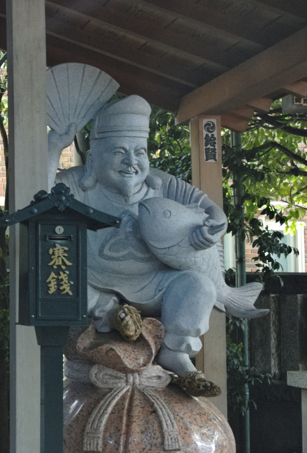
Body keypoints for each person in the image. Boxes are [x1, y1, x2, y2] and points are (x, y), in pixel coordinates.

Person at [55, 96, 227, 397]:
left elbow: (211, 211)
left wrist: (212, 229)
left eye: (139, 152)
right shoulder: (74, 183)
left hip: (153, 284)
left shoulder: (162, 184)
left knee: (197, 285)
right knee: (61, 280)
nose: (131, 162)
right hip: (93, 283)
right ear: (93, 160)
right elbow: (40, 196)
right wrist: (52, 147)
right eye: (120, 152)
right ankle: (111, 313)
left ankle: (177, 350)